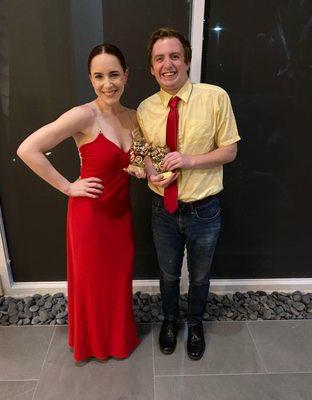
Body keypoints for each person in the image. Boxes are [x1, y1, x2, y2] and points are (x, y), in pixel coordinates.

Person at [17, 44, 142, 361]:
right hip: (90, 216)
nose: (107, 84)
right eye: (99, 76)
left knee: (117, 280)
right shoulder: (83, 115)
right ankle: (94, 343)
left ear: (126, 76)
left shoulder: (133, 117)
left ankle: (116, 339)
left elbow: (138, 161)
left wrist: (145, 170)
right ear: (90, 79)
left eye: (114, 75)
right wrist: (68, 186)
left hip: (120, 214)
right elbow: (28, 149)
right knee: (92, 283)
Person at [137, 27, 240, 360]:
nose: (168, 64)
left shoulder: (215, 97)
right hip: (162, 209)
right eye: (160, 59)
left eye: (174, 56)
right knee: (167, 274)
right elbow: (143, 157)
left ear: (187, 60)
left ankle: (194, 324)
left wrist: (189, 160)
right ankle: (170, 321)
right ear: (151, 68)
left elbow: (230, 151)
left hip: (204, 209)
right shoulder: (145, 108)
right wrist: (150, 172)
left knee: (199, 276)